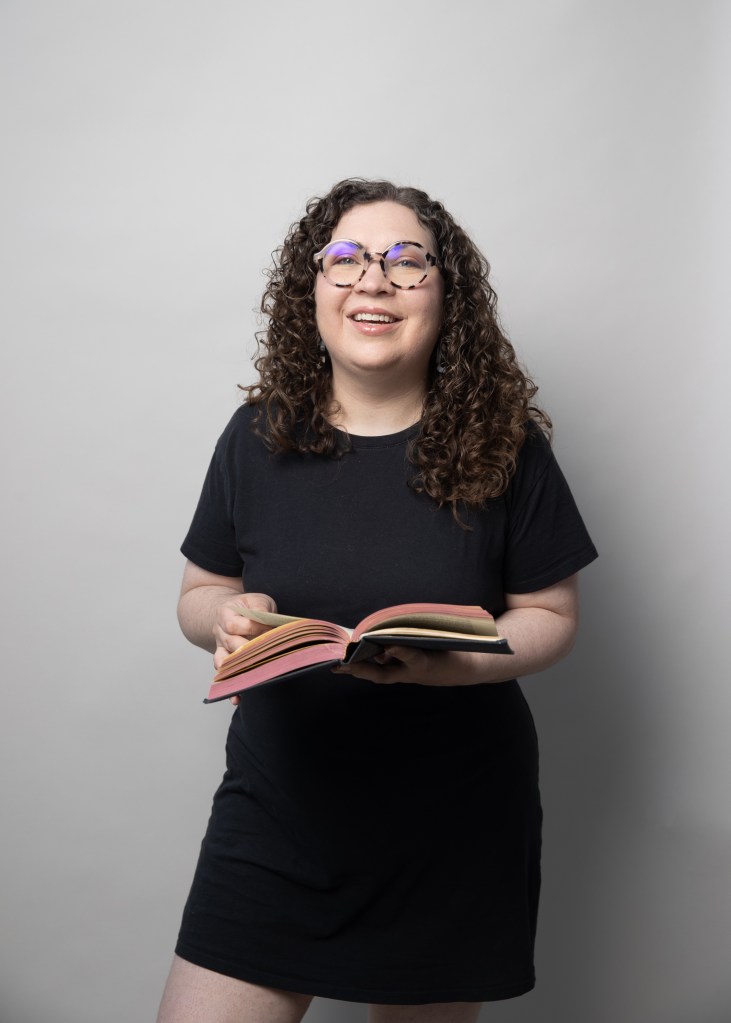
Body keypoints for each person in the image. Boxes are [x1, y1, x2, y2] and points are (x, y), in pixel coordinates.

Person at [157, 178, 598, 1023]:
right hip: (276, 817)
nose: (373, 281)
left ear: (445, 296)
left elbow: (551, 614)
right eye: (347, 258)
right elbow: (201, 591)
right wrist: (224, 618)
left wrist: (455, 663)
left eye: (406, 261)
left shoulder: (507, 443)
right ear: (312, 288)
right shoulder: (254, 436)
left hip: (453, 824)